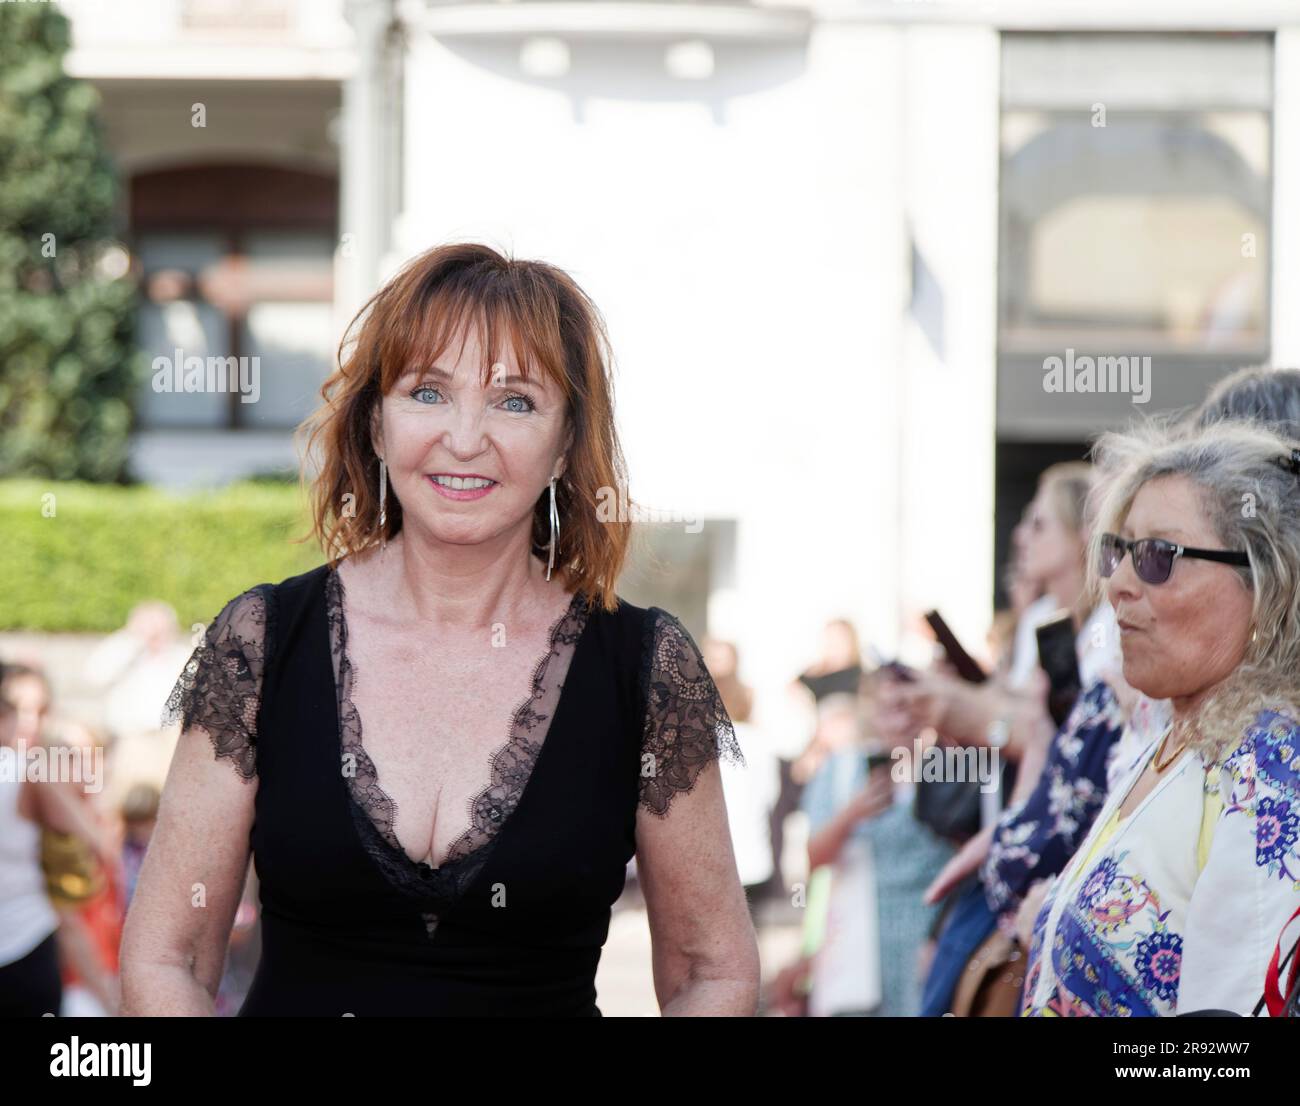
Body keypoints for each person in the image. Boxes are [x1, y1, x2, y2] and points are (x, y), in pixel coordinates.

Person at [119, 242, 757, 1017]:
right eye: (428, 392)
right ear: (377, 425)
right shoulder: (260, 643)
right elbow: (167, 957)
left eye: (514, 400)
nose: (464, 437)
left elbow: (710, 974)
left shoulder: (645, 670)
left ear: (564, 444)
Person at [1021, 419, 1300, 1015]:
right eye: (1118, 551)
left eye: (1156, 557)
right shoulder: (1176, 742)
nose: (1118, 583)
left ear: (1267, 586)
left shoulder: (1269, 773)